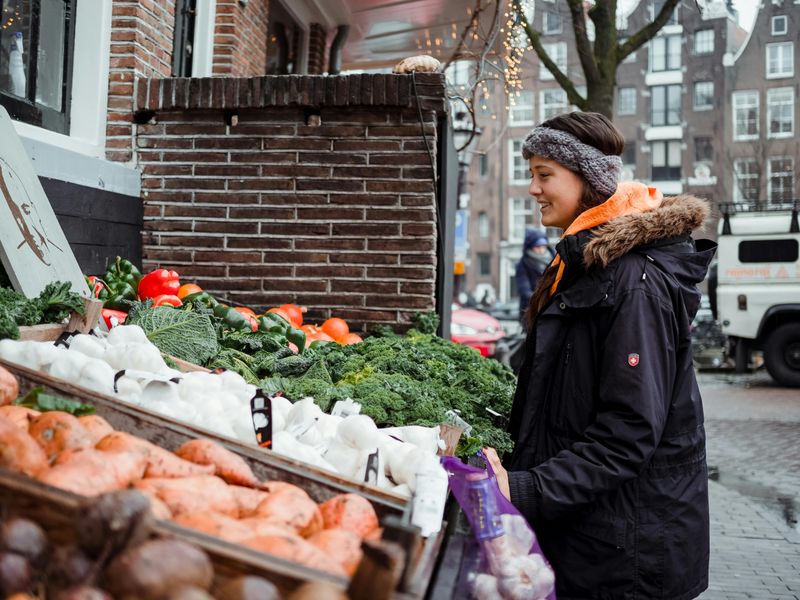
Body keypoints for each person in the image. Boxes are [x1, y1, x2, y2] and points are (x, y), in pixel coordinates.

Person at [483, 111, 716, 599]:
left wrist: (523, 488)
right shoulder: (585, 264)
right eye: (532, 175)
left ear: (588, 180)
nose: (534, 189)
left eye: (545, 175)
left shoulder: (633, 282)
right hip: (594, 535)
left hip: (626, 551)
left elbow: (628, 431)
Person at [515, 229, 553, 326]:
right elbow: (524, 289)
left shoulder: (555, 260)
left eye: (543, 246)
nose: (541, 249)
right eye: (537, 246)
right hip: (531, 311)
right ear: (530, 247)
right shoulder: (522, 265)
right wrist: (541, 300)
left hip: (551, 309)